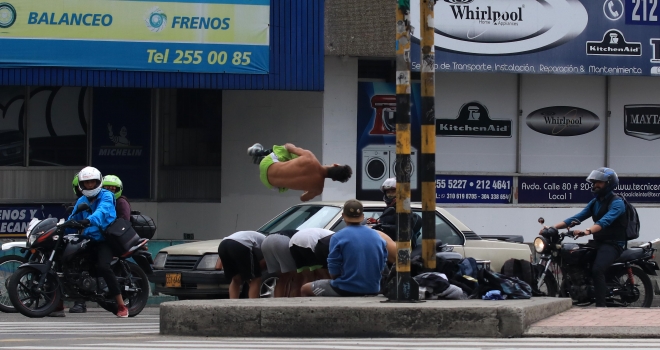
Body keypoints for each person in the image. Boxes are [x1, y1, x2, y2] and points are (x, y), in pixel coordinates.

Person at [541, 167, 626, 308]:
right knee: (576, 260)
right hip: (598, 242)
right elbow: (577, 217)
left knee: (597, 269)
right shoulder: (596, 202)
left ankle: (601, 307)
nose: (595, 185)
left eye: (599, 182)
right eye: (594, 182)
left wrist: (587, 231)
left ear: (609, 184)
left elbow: (605, 221)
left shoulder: (617, 203)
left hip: (614, 244)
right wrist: (552, 228)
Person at [68, 166, 129, 317]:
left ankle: (121, 305)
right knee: (70, 261)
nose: (89, 185)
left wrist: (88, 220)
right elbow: (73, 217)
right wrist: (62, 226)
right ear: (82, 185)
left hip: (105, 239)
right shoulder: (82, 200)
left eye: (92, 182)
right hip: (88, 239)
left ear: (98, 182)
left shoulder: (107, 196)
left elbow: (101, 212)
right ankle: (58, 304)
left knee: (103, 267)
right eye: (86, 183)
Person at [301, 199, 387, 297]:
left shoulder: (338, 237)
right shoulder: (377, 236)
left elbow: (334, 270)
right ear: (362, 216)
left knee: (305, 288)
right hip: (373, 288)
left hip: (346, 288)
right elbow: (382, 265)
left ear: (343, 216)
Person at [247, 143, 352, 202]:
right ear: (334, 179)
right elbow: (303, 198)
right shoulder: (317, 189)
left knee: (291, 152)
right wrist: (307, 188)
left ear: (335, 164)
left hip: (267, 163)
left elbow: (288, 147)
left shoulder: (310, 158)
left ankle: (260, 153)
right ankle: (260, 159)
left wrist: (292, 148)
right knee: (291, 178)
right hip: (269, 183)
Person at [371, 178, 422, 247]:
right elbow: (388, 222)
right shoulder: (389, 209)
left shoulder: (404, 210)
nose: (389, 195)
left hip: (402, 249)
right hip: (388, 244)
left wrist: (382, 227)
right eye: (388, 192)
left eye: (392, 192)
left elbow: (404, 230)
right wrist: (376, 223)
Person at [216, 231, 266, 299]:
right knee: (256, 278)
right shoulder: (267, 243)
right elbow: (263, 263)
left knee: (236, 279)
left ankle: (233, 304)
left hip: (223, 245)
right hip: (241, 244)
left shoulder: (257, 237)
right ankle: (253, 305)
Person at [261, 229, 299, 297]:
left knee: (283, 277)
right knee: (295, 277)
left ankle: (278, 302)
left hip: (266, 241)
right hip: (281, 241)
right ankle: (294, 302)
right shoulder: (309, 237)